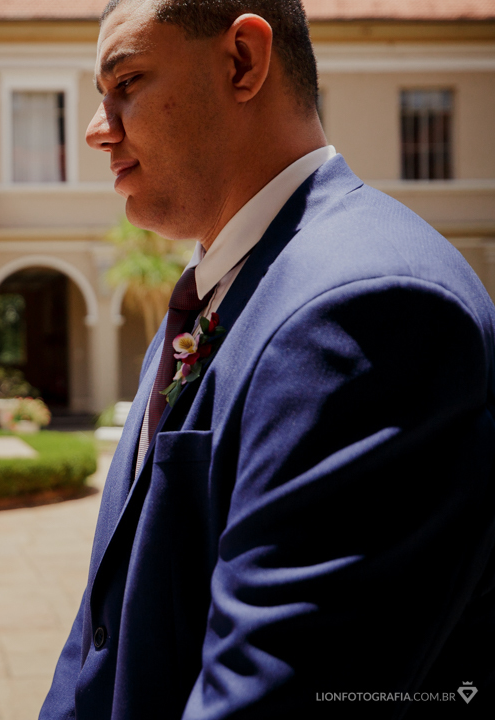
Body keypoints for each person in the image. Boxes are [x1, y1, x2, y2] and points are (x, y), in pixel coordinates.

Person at [41, 1, 495, 718]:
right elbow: (105, 632)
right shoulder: (214, 293)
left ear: (241, 62)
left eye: (126, 82)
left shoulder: (370, 306)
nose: (99, 130)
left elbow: (271, 690)